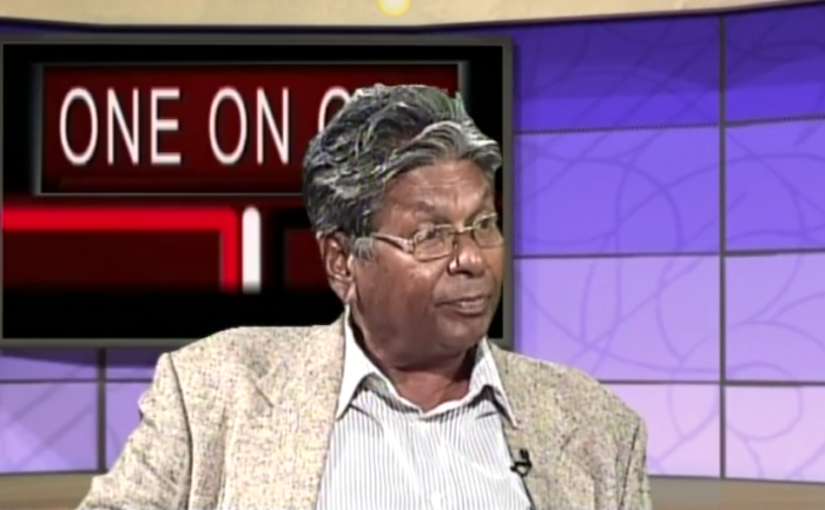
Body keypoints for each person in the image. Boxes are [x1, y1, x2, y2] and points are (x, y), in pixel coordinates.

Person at [77, 84, 652, 509]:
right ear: (341, 262)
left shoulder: (596, 428)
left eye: (484, 225)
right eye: (431, 236)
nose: (472, 259)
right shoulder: (216, 392)